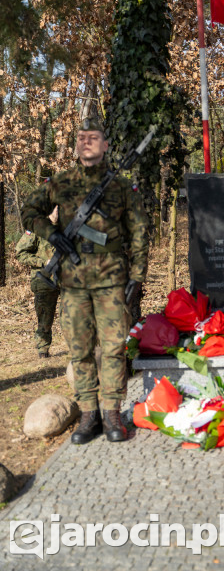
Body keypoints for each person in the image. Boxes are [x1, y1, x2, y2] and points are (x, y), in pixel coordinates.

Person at [21, 117, 149, 444]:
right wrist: (51, 234)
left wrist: (137, 275)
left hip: (111, 280)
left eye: (94, 137)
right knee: (79, 348)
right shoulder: (59, 183)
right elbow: (29, 211)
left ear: (105, 145)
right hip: (73, 281)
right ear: (76, 145)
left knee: (113, 347)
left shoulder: (122, 187)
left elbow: (138, 232)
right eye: (81, 137)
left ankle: (112, 412)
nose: (87, 142)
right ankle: (89, 413)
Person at [15, 206, 60, 358]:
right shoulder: (37, 227)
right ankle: (43, 350)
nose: (57, 211)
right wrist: (43, 262)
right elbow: (20, 253)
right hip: (44, 280)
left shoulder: (68, 226)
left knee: (73, 316)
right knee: (45, 317)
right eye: (55, 208)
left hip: (68, 278)